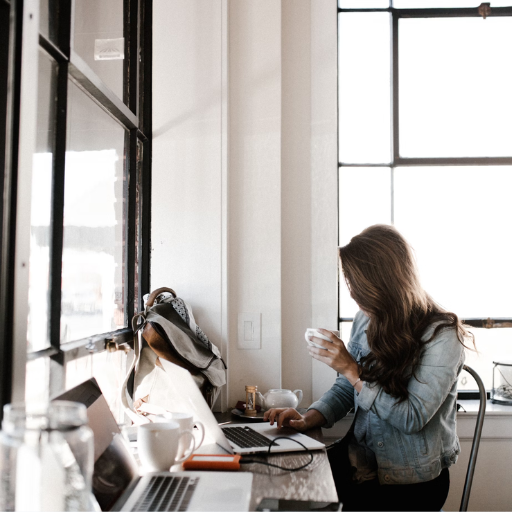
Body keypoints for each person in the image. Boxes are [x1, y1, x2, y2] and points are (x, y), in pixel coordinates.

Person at [264, 224, 474, 512]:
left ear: (385, 283)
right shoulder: (366, 319)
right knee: (282, 483)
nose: (353, 295)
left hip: (410, 483)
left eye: (357, 286)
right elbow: (346, 387)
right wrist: (309, 417)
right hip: (360, 461)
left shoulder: (442, 336)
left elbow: (411, 418)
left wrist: (352, 370)